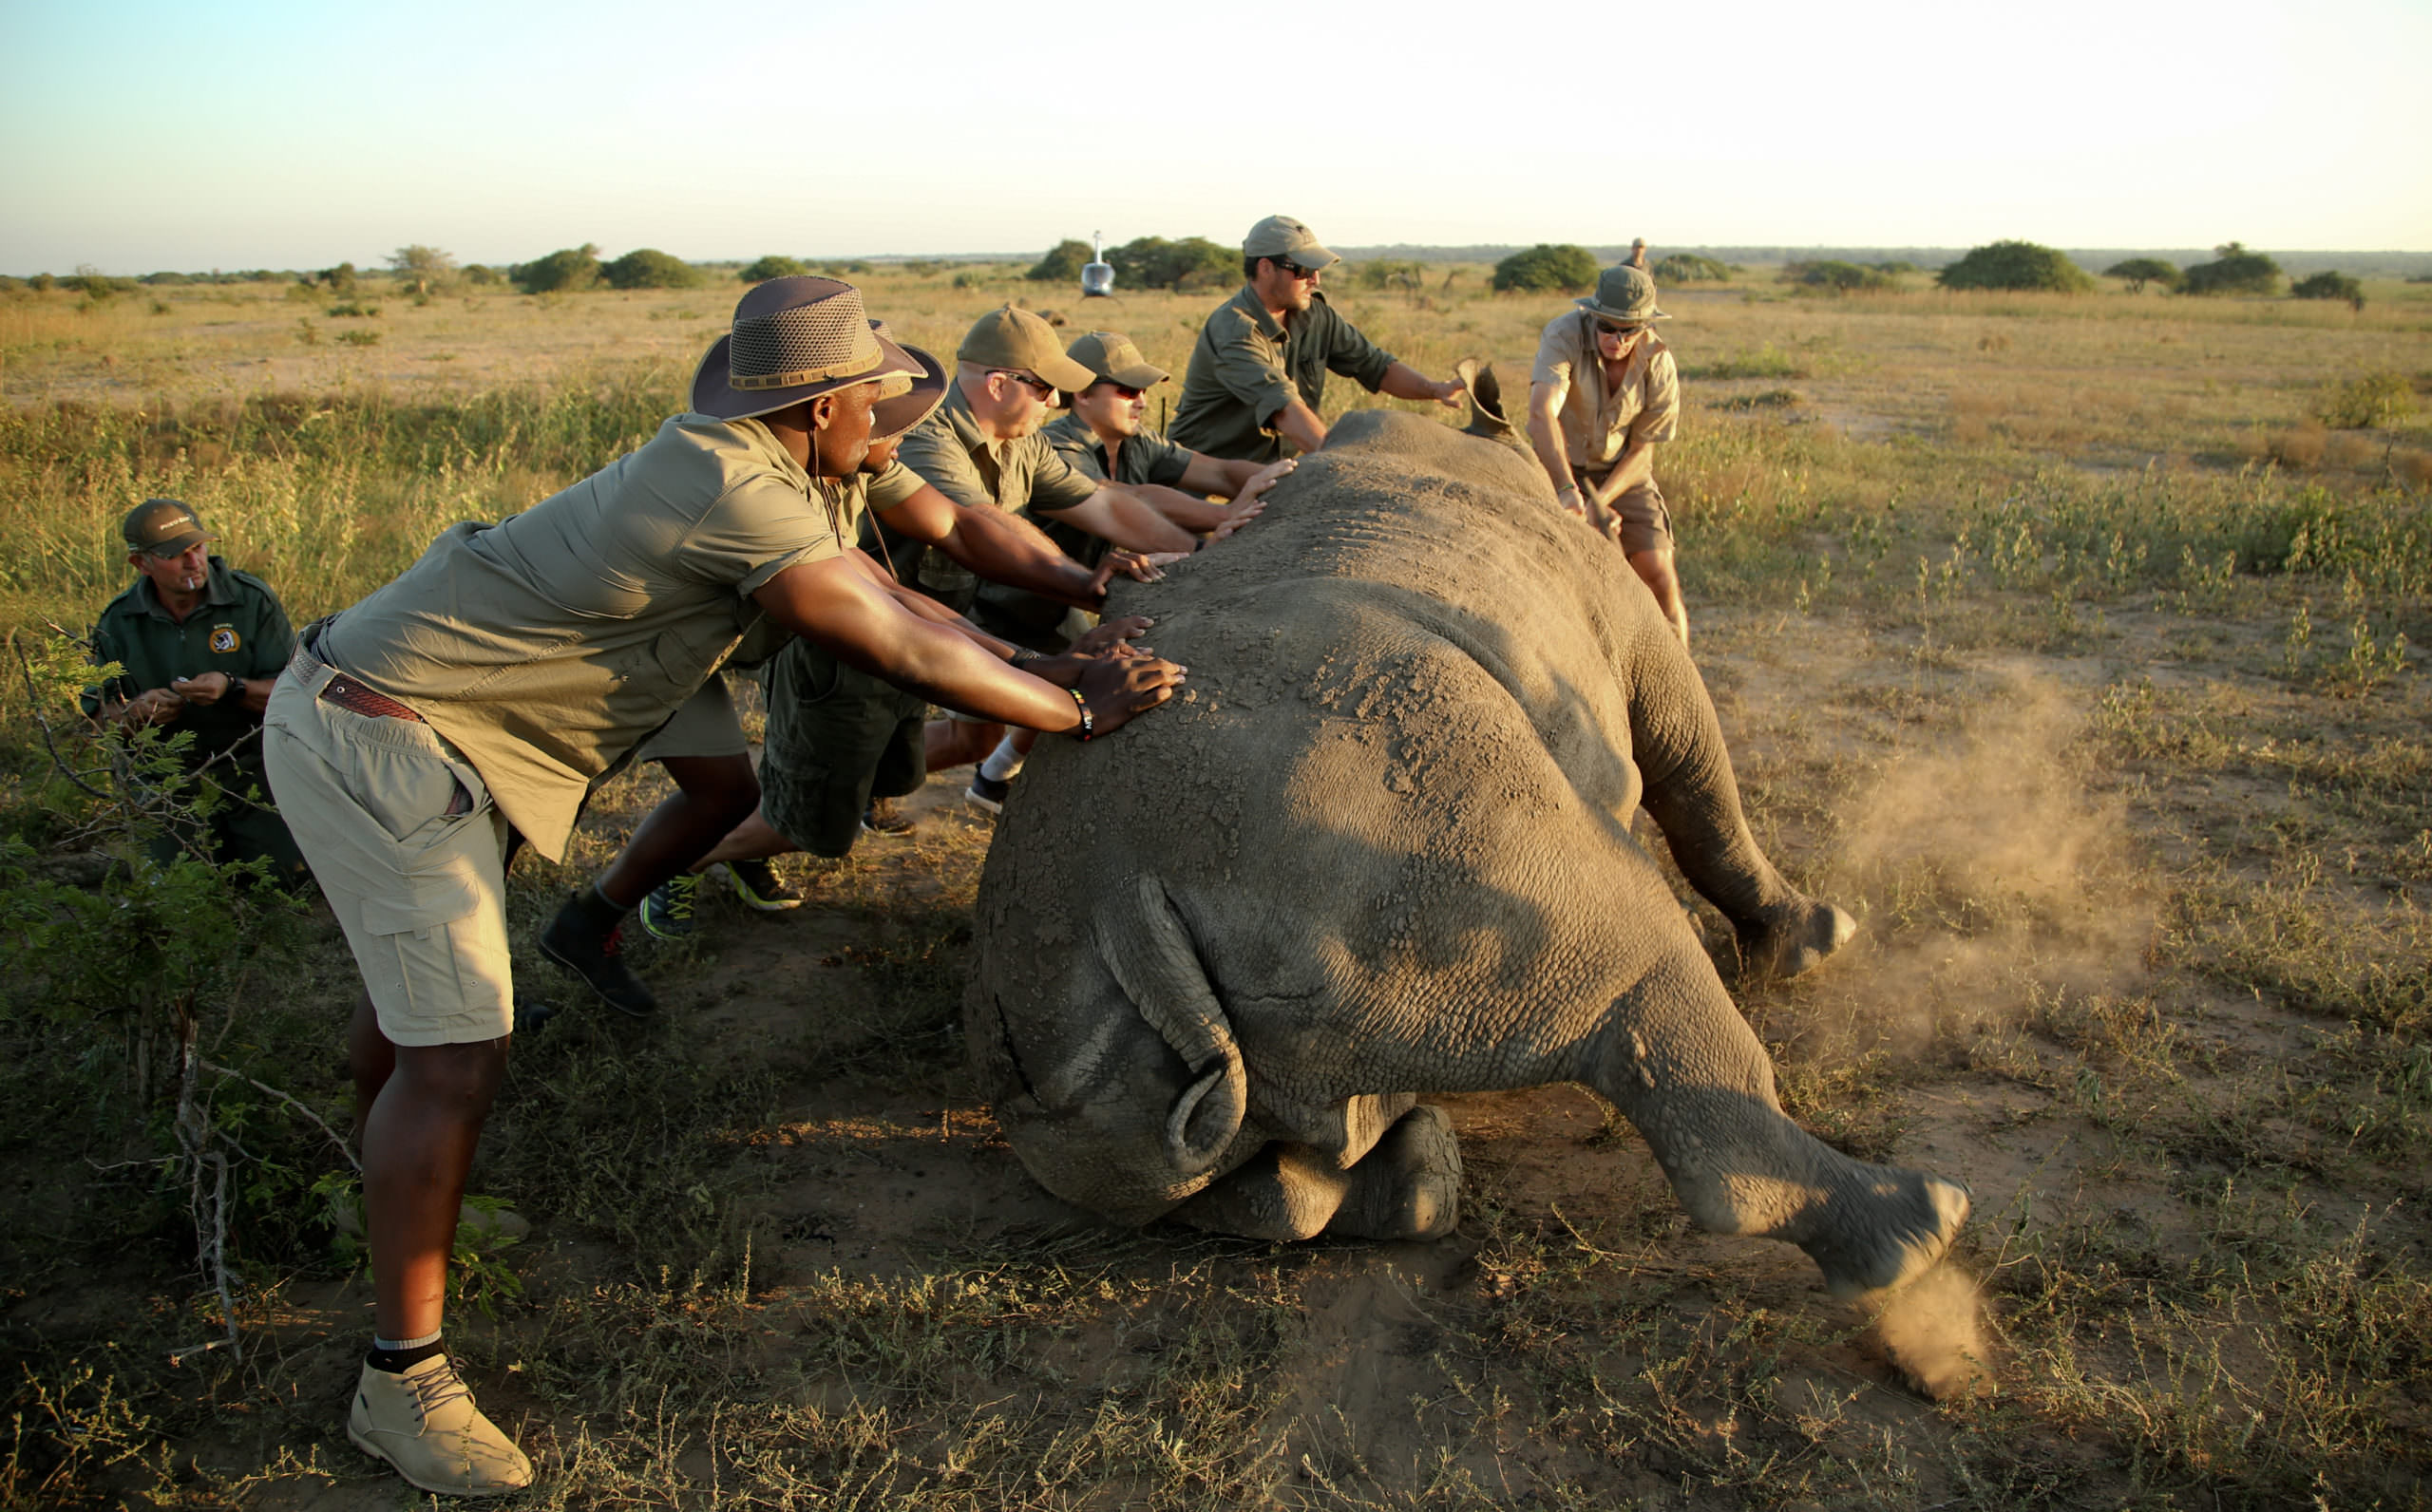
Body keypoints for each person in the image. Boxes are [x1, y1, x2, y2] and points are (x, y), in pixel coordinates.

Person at [258, 276, 1183, 1498]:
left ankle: (369, 1179)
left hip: (479, 708)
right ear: (817, 404)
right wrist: (1073, 705)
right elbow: (880, 634)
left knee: (441, 976)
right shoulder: (729, 481)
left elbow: (905, 592)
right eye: (874, 398)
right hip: (391, 732)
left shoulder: (791, 465)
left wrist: (1052, 654)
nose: (893, 418)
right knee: (457, 1050)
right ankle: (401, 1376)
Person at [961, 330, 1295, 811]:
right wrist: (1219, 523)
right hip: (1011, 602)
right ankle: (881, 792)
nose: (1140, 401)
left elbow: (1221, 473)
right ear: (1082, 394)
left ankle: (990, 782)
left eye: (1143, 390)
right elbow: (1125, 499)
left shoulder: (1139, 444)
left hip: (1073, 601)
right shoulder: (1057, 443)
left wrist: (1292, 480)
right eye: (1126, 390)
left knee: (1080, 680)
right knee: (967, 734)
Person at [82, 499, 304, 877]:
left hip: (253, 770)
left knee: (283, 881)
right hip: (167, 781)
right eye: (176, 554)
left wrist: (233, 687)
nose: (194, 562)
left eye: (197, 547)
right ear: (142, 563)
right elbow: (100, 722)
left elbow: (296, 697)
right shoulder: (119, 621)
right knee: (177, 890)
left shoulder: (250, 601)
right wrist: (138, 712)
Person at [1169, 214, 1464, 463]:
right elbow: (1282, 407)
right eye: (1304, 270)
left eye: (1317, 269)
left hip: (1270, 472)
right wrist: (1337, 466)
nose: (1315, 280)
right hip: (1203, 477)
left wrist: (1433, 389)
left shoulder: (1314, 315)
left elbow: (1372, 364)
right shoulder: (1235, 330)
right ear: (1265, 268)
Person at [1525, 257, 1689, 645]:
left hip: (1623, 472)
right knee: (1546, 575)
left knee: (1658, 570)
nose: (1616, 339)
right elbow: (1541, 413)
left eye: (1628, 330)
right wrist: (1569, 491)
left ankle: (1684, 679)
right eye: (1607, 328)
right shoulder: (1564, 335)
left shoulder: (1658, 361)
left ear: (1644, 327)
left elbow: (1642, 451)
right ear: (1592, 316)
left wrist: (1600, 502)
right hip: (1559, 465)